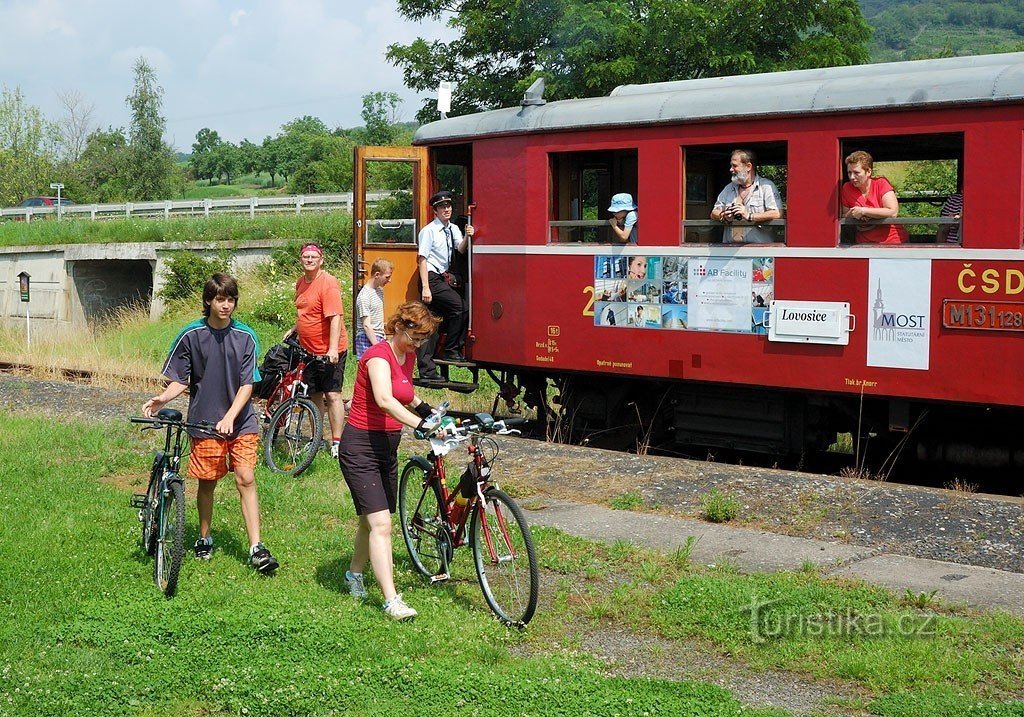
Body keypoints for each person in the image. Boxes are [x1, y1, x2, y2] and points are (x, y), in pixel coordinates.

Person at [142, 273, 278, 574]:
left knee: (245, 477)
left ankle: (256, 547)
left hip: (240, 421)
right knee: (208, 481)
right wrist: (163, 399)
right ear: (208, 301)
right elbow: (180, 380)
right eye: (220, 299)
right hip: (204, 422)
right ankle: (204, 537)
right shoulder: (191, 335)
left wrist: (230, 417)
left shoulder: (246, 337)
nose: (226, 305)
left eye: (230, 299)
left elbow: (247, 385)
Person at [338, 301, 445, 620]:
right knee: (382, 524)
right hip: (360, 447)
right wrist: (420, 425)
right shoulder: (376, 357)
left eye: (423, 340)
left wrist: (429, 411)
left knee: (370, 520)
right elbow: (385, 399)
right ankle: (391, 601)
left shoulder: (406, 356)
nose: (417, 345)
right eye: (415, 337)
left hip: (387, 447)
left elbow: (405, 393)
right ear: (399, 326)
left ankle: (353, 574)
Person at [284, 243, 348, 459]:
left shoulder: (328, 283)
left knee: (332, 394)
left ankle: (337, 442)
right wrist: (295, 328)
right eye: (305, 256)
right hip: (308, 350)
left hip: (330, 350)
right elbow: (306, 311)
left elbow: (335, 317)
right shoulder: (301, 283)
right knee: (314, 396)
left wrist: (332, 349)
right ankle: (317, 438)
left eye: (313, 257)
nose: (309, 260)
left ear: (321, 260)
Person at [417, 190, 474, 380]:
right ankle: (451, 350)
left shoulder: (453, 229)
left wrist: (468, 236)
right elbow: (422, 259)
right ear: (435, 211)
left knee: (432, 324)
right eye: (442, 207)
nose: (446, 210)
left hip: (442, 278)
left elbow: (459, 249)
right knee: (460, 308)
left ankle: (428, 371)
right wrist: (425, 287)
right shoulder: (429, 231)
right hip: (432, 278)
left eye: (448, 206)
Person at [710, 149, 783, 244]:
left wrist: (749, 216)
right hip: (729, 251)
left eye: (734, 166)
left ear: (748, 166)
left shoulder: (766, 186)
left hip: (759, 251)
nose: (731, 169)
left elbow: (778, 213)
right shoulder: (728, 188)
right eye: (731, 166)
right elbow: (713, 213)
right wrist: (724, 216)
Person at [840, 150, 907, 244]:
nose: (852, 177)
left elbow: (893, 212)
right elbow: (844, 216)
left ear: (868, 172)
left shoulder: (881, 183)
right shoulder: (846, 188)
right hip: (863, 243)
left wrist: (864, 211)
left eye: (856, 173)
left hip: (892, 241)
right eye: (849, 173)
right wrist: (854, 214)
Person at [355, 258, 394, 358]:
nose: (389, 280)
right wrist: (376, 345)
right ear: (377, 275)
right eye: (387, 277)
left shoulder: (379, 290)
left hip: (378, 335)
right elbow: (366, 325)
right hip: (367, 337)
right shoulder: (364, 296)